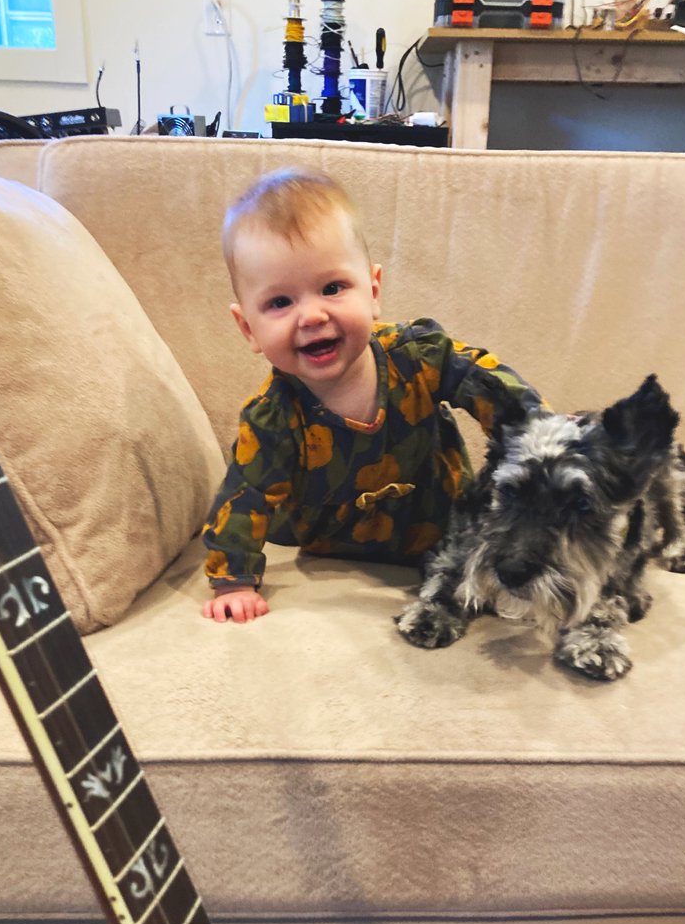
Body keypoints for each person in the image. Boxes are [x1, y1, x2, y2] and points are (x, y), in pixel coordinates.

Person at [202, 165, 542, 623]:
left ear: (374, 290)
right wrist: (234, 581)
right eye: (280, 302)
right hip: (333, 553)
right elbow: (244, 496)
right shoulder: (273, 419)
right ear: (249, 328)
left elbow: (488, 382)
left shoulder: (419, 357)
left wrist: (539, 433)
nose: (312, 315)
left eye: (332, 288)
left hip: (444, 531)